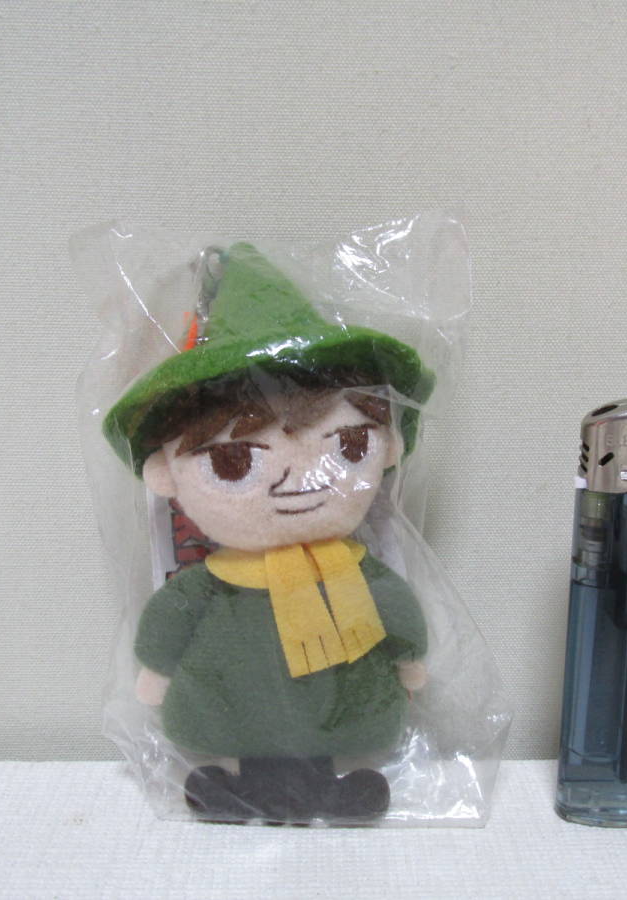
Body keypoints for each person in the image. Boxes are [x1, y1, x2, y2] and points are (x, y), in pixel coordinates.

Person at [103, 243, 434, 822]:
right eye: (234, 462)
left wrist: (409, 658)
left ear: (387, 450)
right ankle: (243, 786)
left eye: (348, 445)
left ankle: (325, 785)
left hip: (339, 707)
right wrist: (155, 669)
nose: (298, 482)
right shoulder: (210, 586)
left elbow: (397, 612)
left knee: (337, 720)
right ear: (165, 474)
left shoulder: (356, 575)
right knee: (237, 722)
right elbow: (170, 620)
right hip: (228, 708)